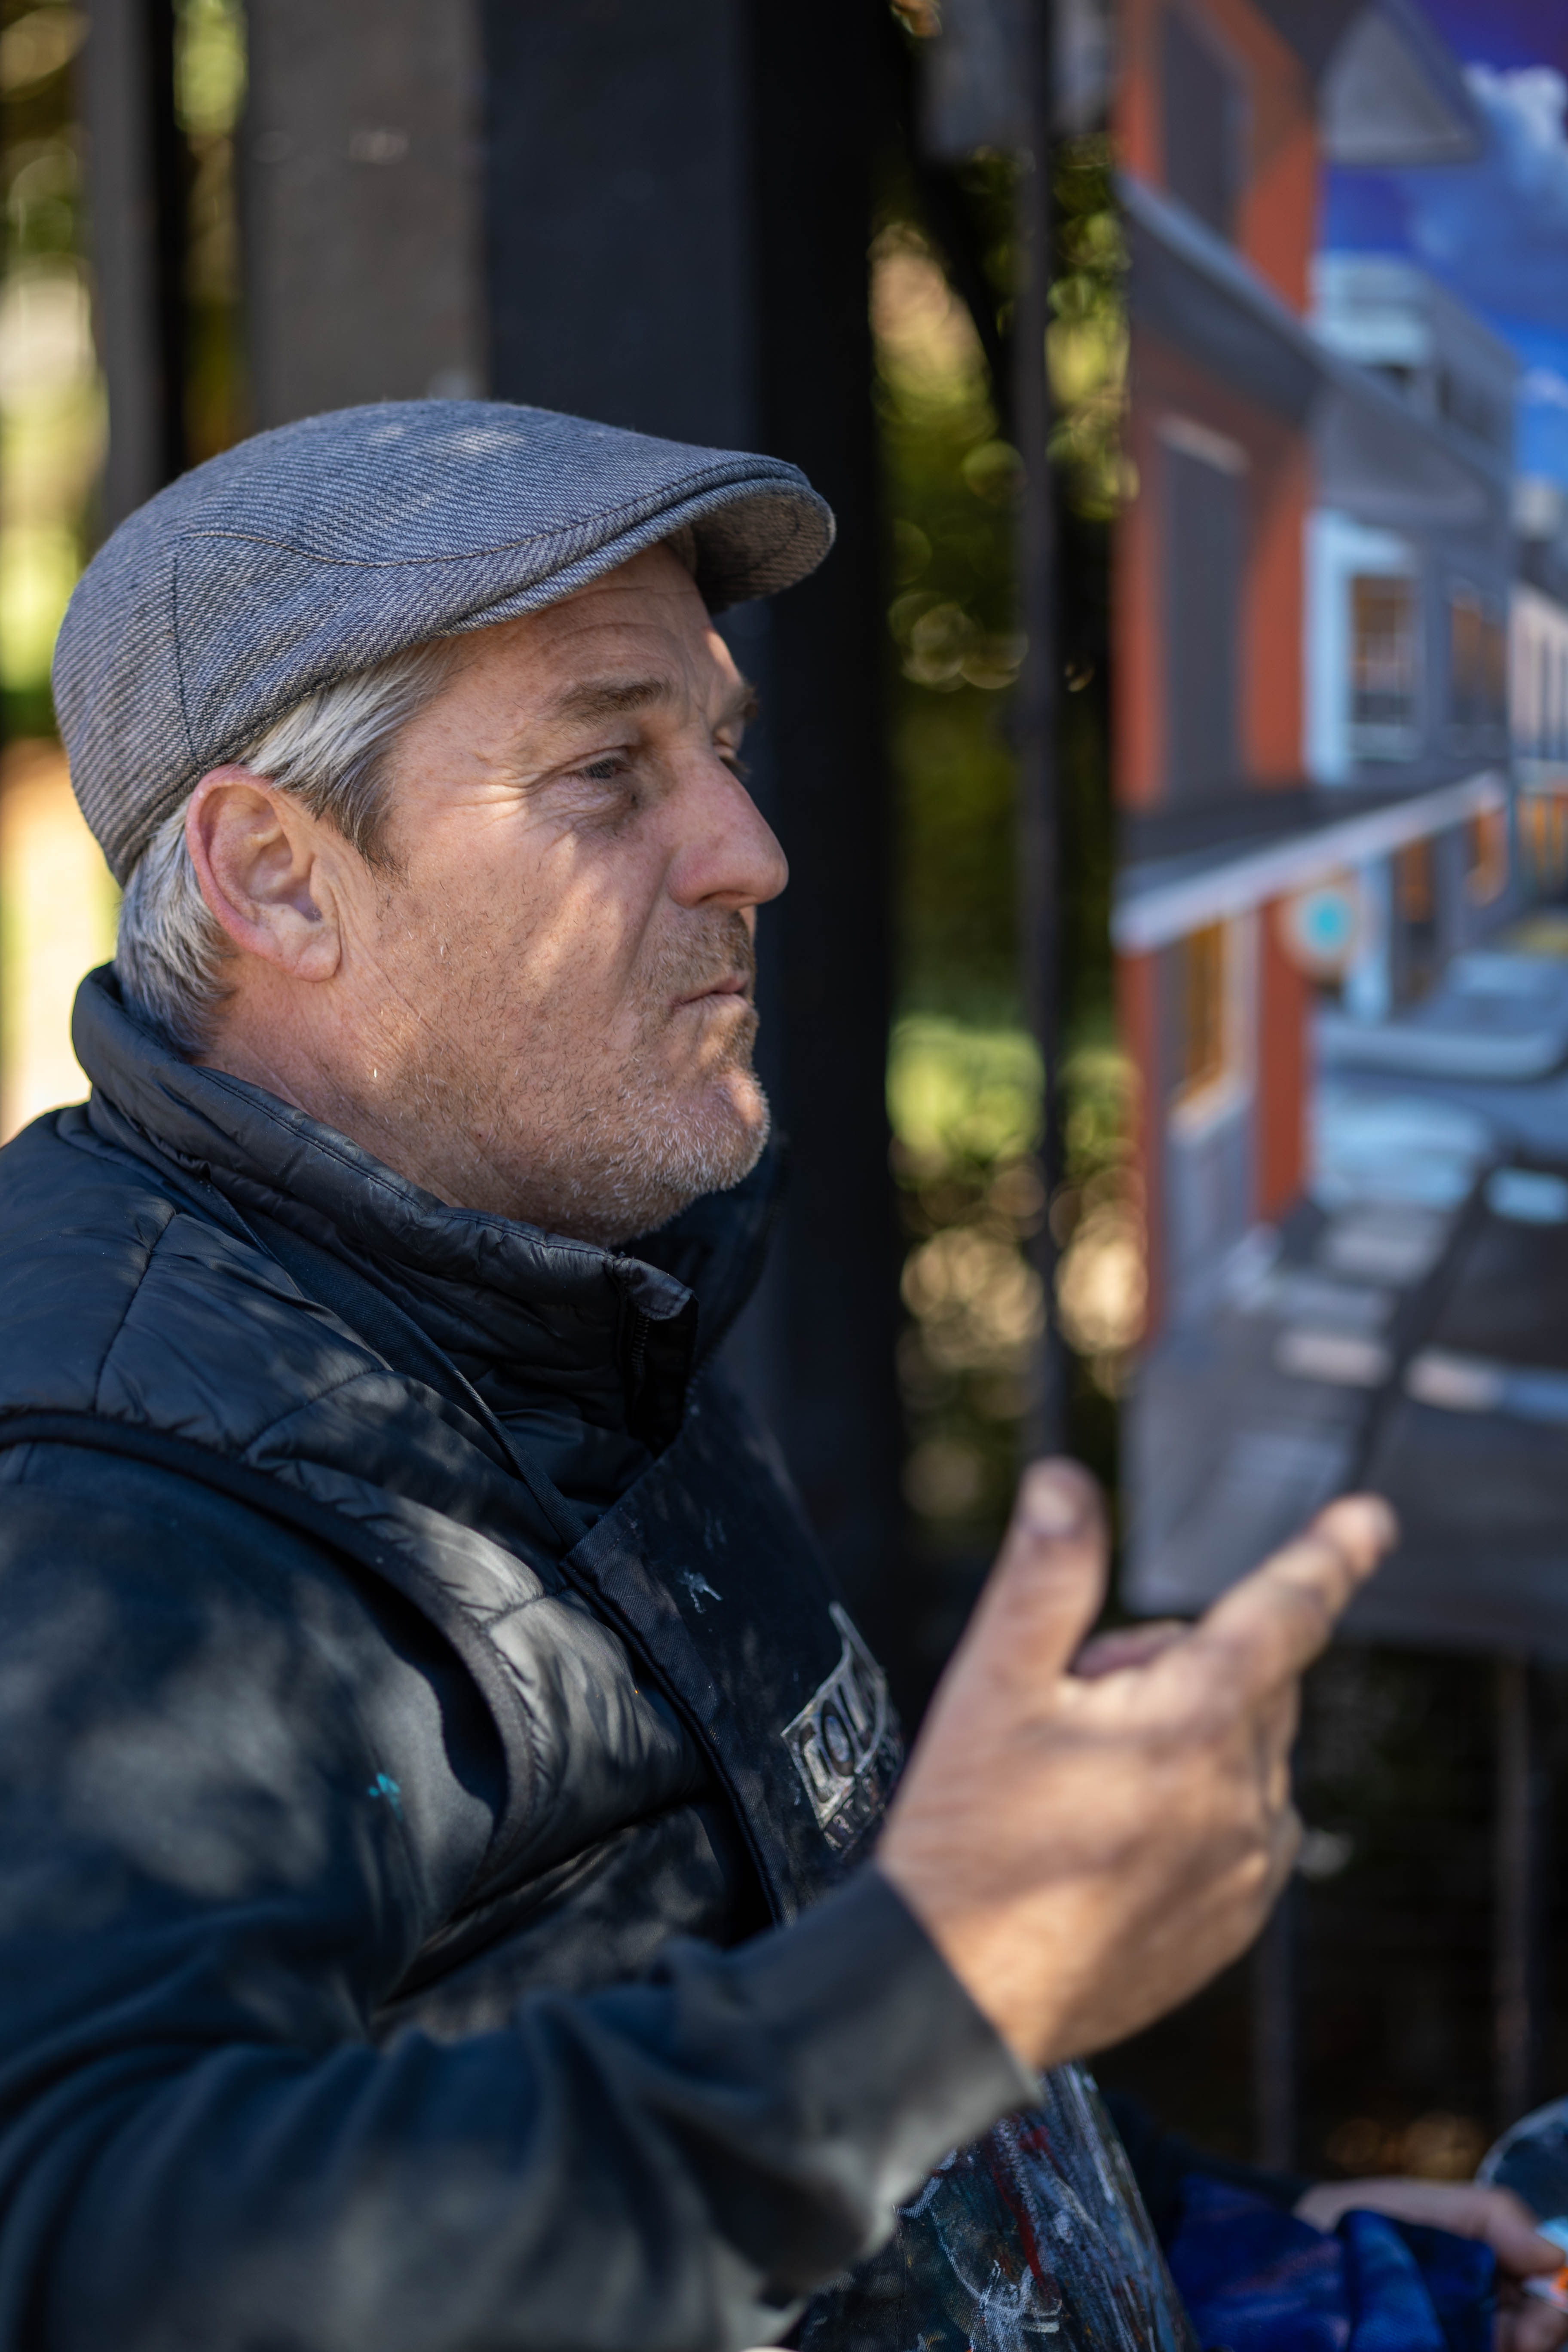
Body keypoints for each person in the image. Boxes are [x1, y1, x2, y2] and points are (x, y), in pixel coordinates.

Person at [0, 398, 1545, 2350]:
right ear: (279, 877)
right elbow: (94, 2263)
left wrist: (1224, 2237)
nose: (750, 853)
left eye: (716, 750)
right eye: (604, 771)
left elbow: (763, 1976)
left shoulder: (571, 1282)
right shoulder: (105, 1502)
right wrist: (954, 1978)